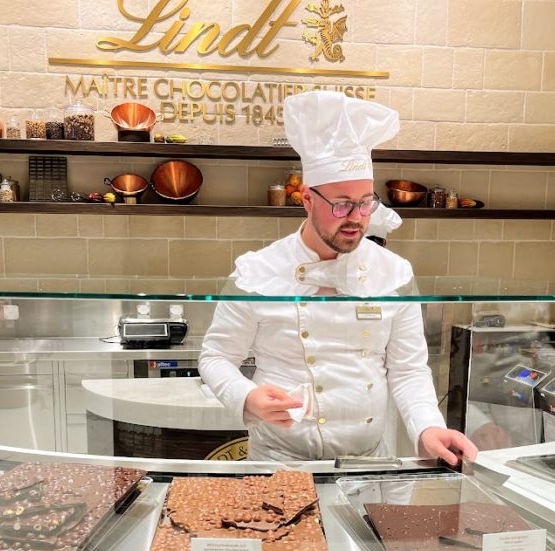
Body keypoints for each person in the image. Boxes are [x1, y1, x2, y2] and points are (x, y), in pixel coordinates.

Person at [198, 91, 477, 465]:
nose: (356, 218)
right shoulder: (257, 271)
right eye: (342, 204)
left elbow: (408, 370)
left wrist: (428, 427)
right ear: (307, 201)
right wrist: (245, 396)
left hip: (368, 466)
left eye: (365, 203)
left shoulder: (394, 273)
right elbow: (216, 357)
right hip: (279, 463)